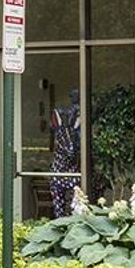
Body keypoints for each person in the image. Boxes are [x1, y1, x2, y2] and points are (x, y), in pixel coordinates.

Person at [50, 88, 81, 216]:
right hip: (62, 163)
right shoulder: (65, 113)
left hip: (71, 163)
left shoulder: (76, 113)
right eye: (74, 96)